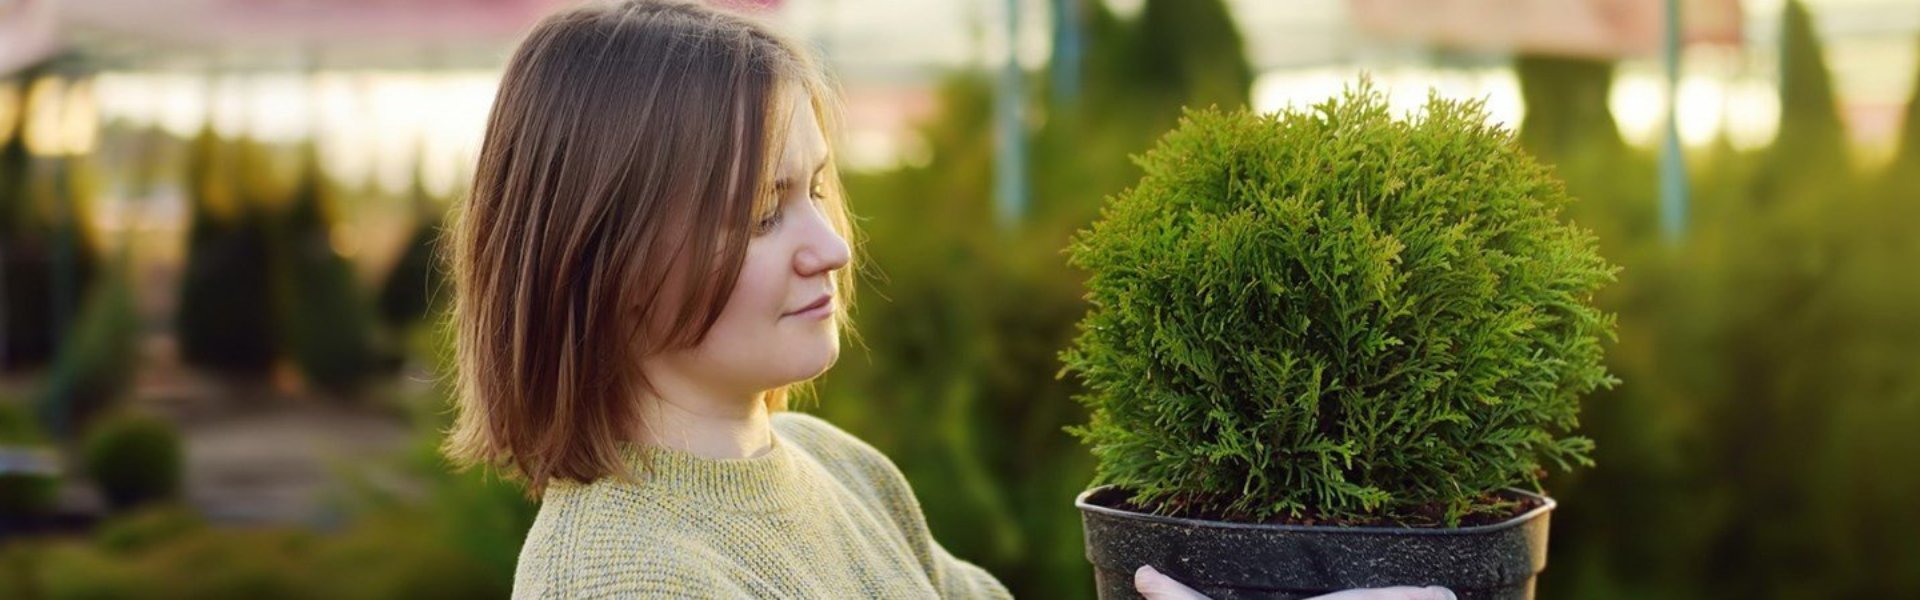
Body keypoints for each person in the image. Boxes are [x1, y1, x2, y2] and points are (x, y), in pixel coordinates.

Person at [441, 1, 1454, 599]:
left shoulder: (841, 469)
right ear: (598, 254)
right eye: (760, 214)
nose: (830, 245)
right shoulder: (630, 577)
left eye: (817, 189)